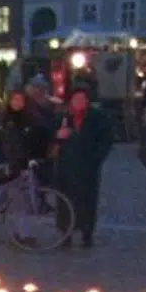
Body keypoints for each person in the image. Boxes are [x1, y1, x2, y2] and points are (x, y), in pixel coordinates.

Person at [51, 84, 113, 248]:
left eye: (82, 99)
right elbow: (50, 137)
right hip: (66, 166)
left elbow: (105, 141)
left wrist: (96, 158)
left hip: (87, 167)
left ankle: (87, 234)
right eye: (75, 99)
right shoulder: (63, 117)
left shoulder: (97, 118)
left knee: (87, 202)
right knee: (65, 201)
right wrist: (57, 136)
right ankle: (66, 233)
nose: (78, 102)